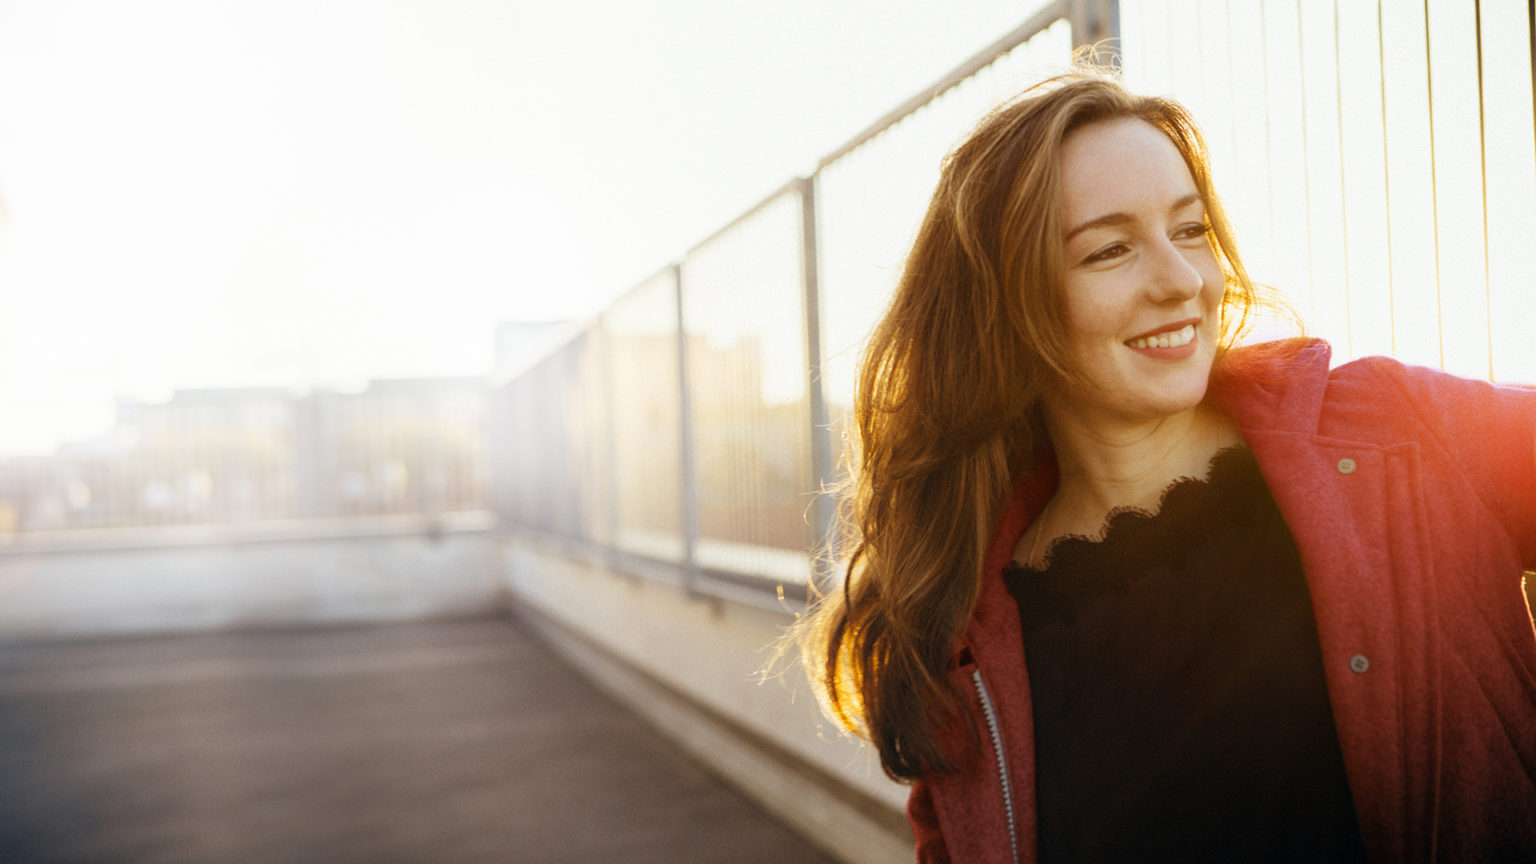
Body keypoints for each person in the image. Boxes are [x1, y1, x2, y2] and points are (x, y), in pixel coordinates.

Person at [795, 67, 1536, 863]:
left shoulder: (1400, 432)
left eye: (1189, 231)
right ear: (1004, 309)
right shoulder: (963, 635)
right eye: (1110, 250)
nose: (1182, 282)